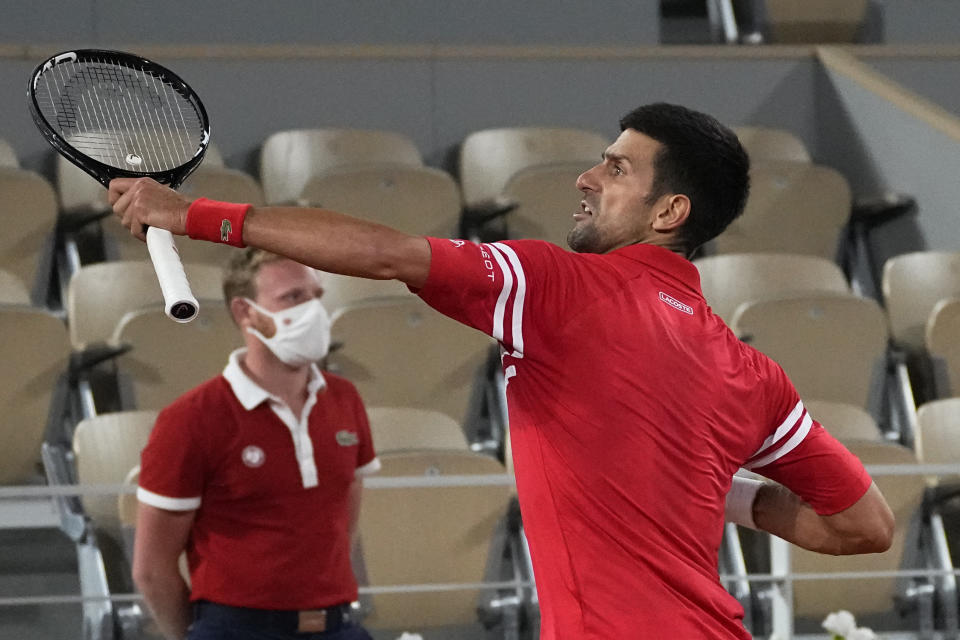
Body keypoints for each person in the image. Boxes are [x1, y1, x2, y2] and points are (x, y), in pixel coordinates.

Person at [112, 102, 894, 639]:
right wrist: (724, 493)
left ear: (669, 212)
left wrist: (191, 215)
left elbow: (386, 254)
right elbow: (866, 526)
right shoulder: (752, 370)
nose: (586, 179)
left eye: (616, 169)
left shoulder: (558, 285)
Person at [132, 248, 380, 640]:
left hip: (335, 623)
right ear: (245, 312)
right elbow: (152, 569)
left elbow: (342, 523)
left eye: (316, 296)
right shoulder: (191, 418)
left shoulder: (344, 398)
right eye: (293, 298)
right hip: (235, 627)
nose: (313, 311)